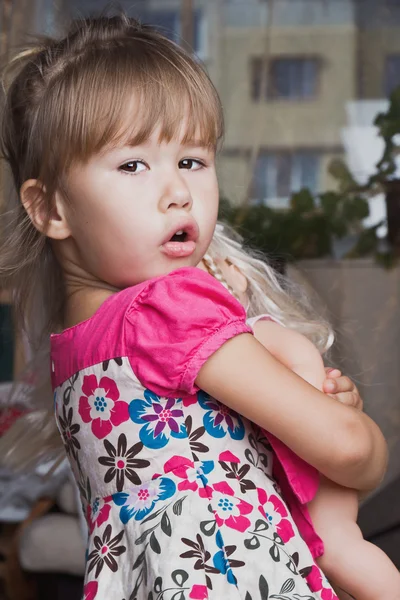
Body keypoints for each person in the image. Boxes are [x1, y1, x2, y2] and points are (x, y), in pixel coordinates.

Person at [0, 13, 390, 600]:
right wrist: (350, 424)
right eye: (133, 164)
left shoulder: (75, 347)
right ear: (51, 208)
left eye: (192, 160)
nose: (178, 190)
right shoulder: (166, 308)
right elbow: (350, 451)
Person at [201, 231, 400, 599]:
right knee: (324, 563)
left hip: (316, 466)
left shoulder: (257, 331)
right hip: (307, 463)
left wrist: (305, 410)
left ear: (237, 275)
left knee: (341, 552)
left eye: (203, 276)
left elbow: (304, 364)